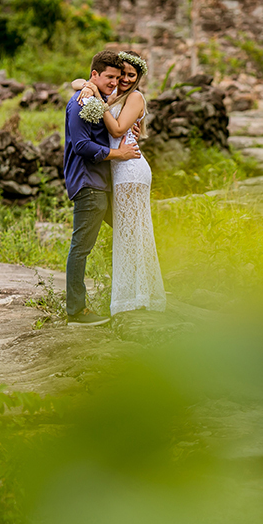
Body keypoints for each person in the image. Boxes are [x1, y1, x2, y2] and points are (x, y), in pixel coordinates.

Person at [76, 50, 167, 316]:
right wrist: (88, 86)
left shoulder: (135, 97)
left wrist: (98, 102)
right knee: (128, 234)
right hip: (119, 167)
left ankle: (137, 298)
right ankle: (134, 295)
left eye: (131, 75)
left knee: (131, 234)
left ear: (138, 78)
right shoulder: (115, 96)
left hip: (130, 168)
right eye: (122, 74)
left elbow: (116, 130)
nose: (125, 79)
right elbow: (78, 83)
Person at [64, 50, 141, 327]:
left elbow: (87, 87)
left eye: (118, 77)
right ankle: (76, 311)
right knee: (81, 247)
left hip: (104, 184)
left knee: (130, 233)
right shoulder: (80, 103)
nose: (114, 82)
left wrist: (86, 84)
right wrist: (117, 154)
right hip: (89, 184)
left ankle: (134, 293)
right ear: (95, 75)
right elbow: (81, 146)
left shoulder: (96, 96)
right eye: (109, 77)